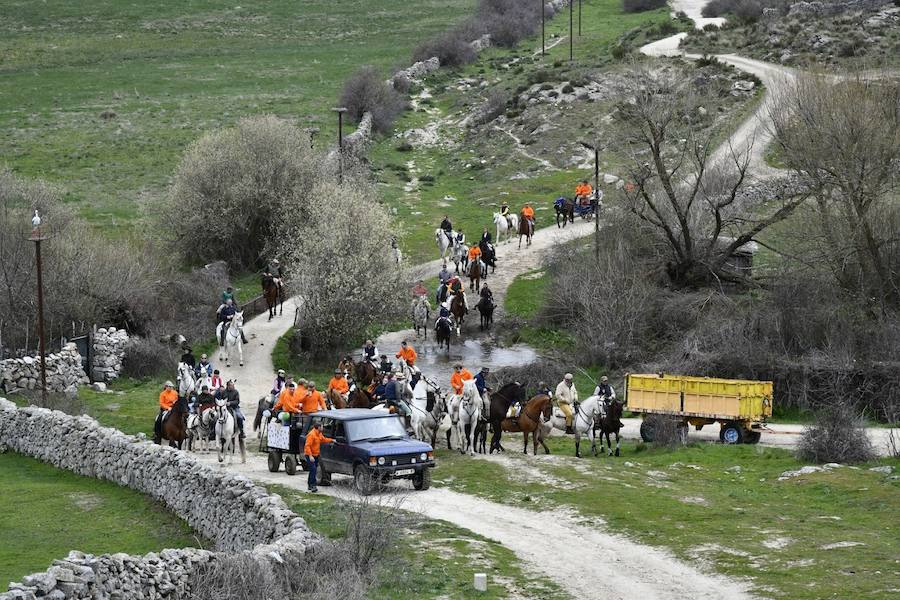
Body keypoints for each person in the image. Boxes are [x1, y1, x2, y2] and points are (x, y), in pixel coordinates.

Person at [304, 421, 334, 493]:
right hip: (310, 455)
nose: (323, 427)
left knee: (313, 470)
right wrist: (310, 456)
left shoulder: (319, 433)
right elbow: (307, 446)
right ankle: (312, 485)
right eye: (322, 426)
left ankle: (310, 484)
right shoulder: (311, 435)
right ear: (319, 427)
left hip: (316, 454)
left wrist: (332, 440)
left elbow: (323, 439)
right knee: (313, 469)